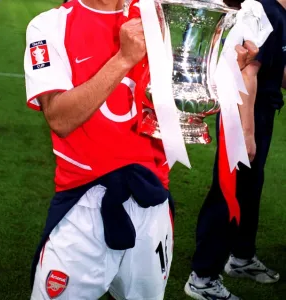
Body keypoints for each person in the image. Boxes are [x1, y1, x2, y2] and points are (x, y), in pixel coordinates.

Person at [24, 0, 259, 299]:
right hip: (82, 203)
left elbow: (184, 99)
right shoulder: (49, 25)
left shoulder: (163, 15)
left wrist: (219, 72)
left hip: (152, 202)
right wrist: (123, 58)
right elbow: (59, 117)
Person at [185, 0, 286, 299]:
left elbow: (274, 67)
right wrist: (246, 132)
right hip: (244, 112)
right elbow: (247, 72)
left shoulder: (277, 12)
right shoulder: (265, 9)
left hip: (260, 110)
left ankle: (241, 257)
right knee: (228, 192)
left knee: (250, 187)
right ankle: (202, 277)